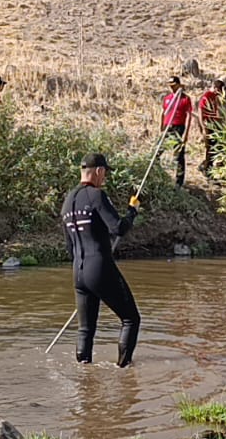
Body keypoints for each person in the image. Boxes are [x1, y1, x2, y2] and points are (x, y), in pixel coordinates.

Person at [60, 153, 141, 367]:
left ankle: (83, 374)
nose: (104, 178)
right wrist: (132, 211)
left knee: (86, 329)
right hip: (99, 267)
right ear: (98, 171)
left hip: (78, 272)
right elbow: (118, 228)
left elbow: (70, 246)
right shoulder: (96, 196)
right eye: (104, 173)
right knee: (131, 319)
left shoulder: (67, 202)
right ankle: (124, 371)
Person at [159, 76, 192, 186]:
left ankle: (179, 182)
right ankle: (157, 174)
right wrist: (161, 127)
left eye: (174, 85)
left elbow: (189, 116)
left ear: (178, 85)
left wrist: (186, 133)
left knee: (179, 155)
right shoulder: (168, 98)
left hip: (179, 127)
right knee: (158, 150)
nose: (172, 88)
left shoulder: (185, 99)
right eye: (170, 86)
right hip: (168, 127)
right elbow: (163, 112)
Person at [195, 77, 226, 177]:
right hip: (209, 124)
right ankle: (207, 170)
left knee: (219, 148)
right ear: (215, 88)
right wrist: (203, 128)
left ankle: (206, 166)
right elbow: (201, 112)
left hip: (217, 125)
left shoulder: (220, 97)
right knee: (211, 148)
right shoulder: (207, 96)